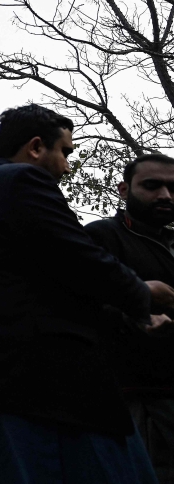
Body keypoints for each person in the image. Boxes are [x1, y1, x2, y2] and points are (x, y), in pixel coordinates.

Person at [0, 104, 174, 484]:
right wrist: (142, 293)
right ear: (37, 147)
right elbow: (80, 258)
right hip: (44, 391)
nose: (67, 167)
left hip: (5, 386)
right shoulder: (21, 182)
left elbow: (49, 282)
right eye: (65, 152)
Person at [85, 154, 174, 483]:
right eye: (152, 186)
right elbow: (80, 305)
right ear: (124, 189)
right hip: (135, 397)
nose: (165, 195)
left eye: (172, 187)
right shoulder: (101, 238)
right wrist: (136, 315)